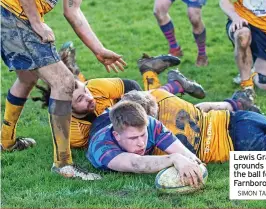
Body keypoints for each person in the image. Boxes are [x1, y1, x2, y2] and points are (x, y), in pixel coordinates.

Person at [0, 0, 129, 180]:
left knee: (26, 79)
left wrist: (99, 49)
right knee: (64, 83)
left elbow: (74, 12)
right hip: (12, 17)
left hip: (15, 18)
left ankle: (5, 141)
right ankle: (63, 165)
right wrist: (36, 22)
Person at [87, 66, 266, 176]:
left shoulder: (151, 124)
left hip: (239, 134)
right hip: (238, 125)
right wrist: (231, 103)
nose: (140, 142)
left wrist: (187, 160)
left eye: (143, 135)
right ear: (116, 134)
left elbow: (187, 156)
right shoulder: (100, 148)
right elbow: (135, 163)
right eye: (133, 138)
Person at [33, 41, 205, 149]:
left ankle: (161, 77)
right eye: (81, 99)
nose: (89, 97)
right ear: (67, 110)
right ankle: (162, 77)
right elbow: (104, 141)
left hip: (123, 103)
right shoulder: (74, 134)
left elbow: (132, 86)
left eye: (85, 92)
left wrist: (127, 106)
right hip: (111, 117)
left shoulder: (95, 88)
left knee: (150, 105)